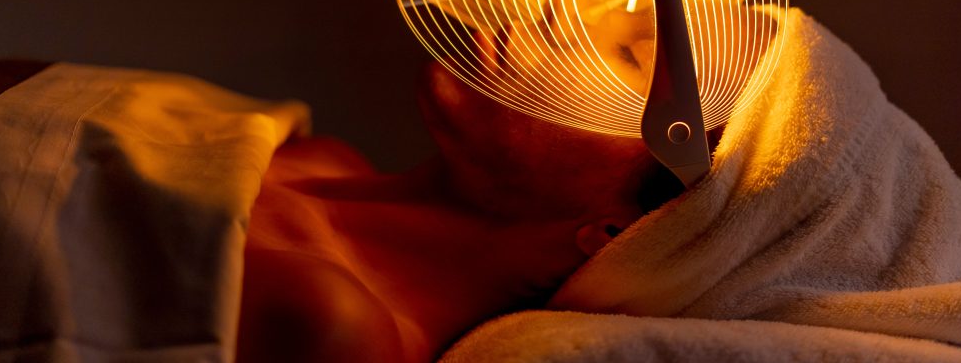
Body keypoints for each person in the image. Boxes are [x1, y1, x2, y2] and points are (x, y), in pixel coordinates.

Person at [236, 58, 697, 362]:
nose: (558, 11)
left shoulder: (327, 328)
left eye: (630, 56)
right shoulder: (320, 155)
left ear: (615, 233)